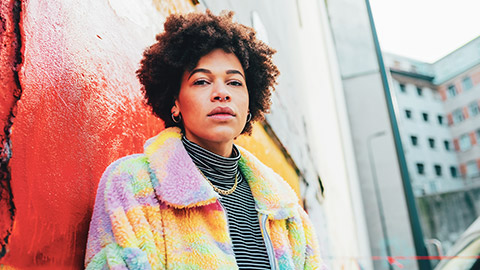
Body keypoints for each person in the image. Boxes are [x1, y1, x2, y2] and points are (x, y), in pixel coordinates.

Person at [85, 10, 327, 270]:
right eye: (202, 81)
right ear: (175, 102)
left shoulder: (285, 208)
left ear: (249, 104)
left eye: (234, 82)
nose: (221, 93)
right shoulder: (133, 184)